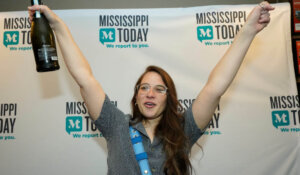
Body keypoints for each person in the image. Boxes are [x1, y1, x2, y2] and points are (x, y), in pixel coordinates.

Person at [28, 1, 274, 175]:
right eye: (144, 87)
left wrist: (248, 31)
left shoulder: (184, 129)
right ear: (136, 96)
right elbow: (84, 78)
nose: (150, 93)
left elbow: (215, 87)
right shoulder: (116, 125)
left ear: (169, 98)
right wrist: (58, 26)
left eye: (159, 89)